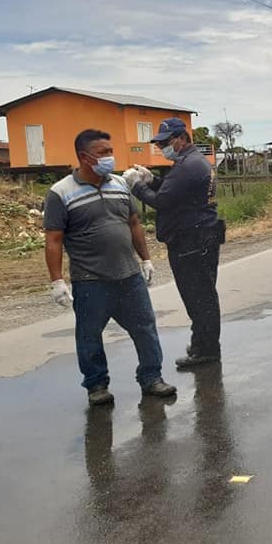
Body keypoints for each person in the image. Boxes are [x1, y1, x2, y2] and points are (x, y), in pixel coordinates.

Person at [44, 129, 177, 406]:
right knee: (89, 335)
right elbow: (54, 239)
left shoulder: (119, 184)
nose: (109, 157)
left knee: (145, 328)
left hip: (129, 275)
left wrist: (146, 259)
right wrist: (57, 280)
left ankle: (152, 377)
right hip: (90, 279)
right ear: (84, 157)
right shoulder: (60, 193)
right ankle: (96, 385)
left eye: (110, 151)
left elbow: (134, 224)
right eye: (103, 153)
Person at [125, 118, 224, 369]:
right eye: (159, 144)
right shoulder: (191, 162)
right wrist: (151, 180)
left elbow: (161, 202)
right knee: (202, 295)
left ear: (181, 138)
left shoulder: (188, 166)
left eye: (165, 142)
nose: (161, 147)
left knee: (198, 297)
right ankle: (203, 343)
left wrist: (136, 186)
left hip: (192, 240)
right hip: (200, 237)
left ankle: (207, 349)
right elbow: (172, 192)